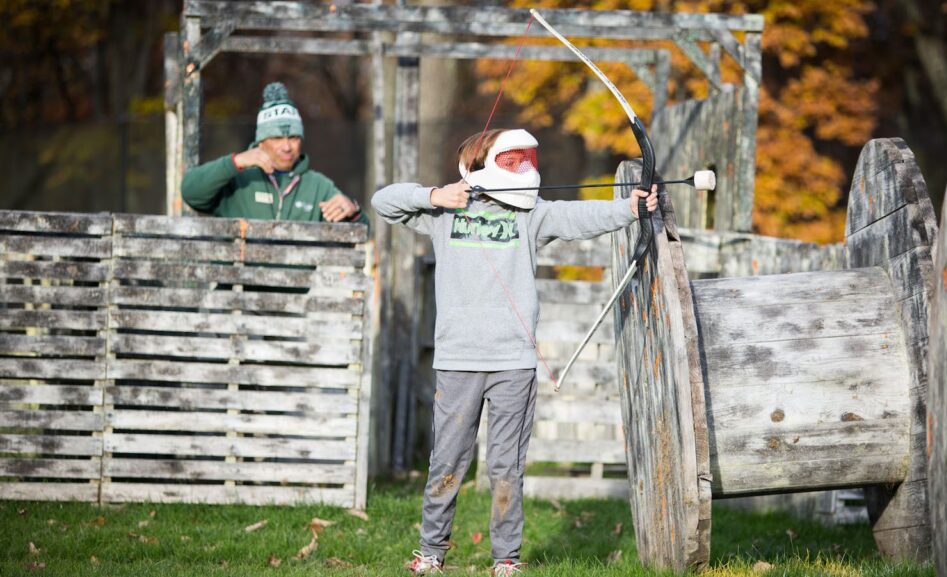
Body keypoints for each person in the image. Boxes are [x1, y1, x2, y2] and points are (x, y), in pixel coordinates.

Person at [371, 128, 658, 576]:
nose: (523, 169)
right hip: (458, 361)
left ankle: (506, 559)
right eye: (511, 162)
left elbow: (579, 218)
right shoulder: (444, 213)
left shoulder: (532, 215)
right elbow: (383, 201)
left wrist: (629, 208)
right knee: (447, 462)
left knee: (506, 467)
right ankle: (432, 553)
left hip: (513, 364)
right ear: (480, 164)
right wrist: (435, 195)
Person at [181, 82, 368, 225]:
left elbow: (364, 232)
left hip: (298, 278)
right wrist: (235, 162)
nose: (287, 147)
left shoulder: (318, 186)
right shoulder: (238, 178)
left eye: (293, 137)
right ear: (261, 141)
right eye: (277, 138)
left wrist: (353, 212)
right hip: (239, 275)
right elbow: (190, 192)